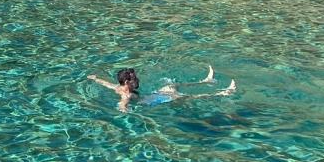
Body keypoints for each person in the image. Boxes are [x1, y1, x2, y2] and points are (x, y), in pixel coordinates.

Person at [88, 66, 235, 112]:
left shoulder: (117, 87)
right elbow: (122, 104)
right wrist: (124, 110)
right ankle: (223, 93)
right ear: (127, 82)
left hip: (152, 95)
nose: (138, 80)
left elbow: (106, 83)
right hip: (154, 101)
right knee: (182, 96)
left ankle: (205, 81)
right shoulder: (126, 96)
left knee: (172, 86)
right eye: (135, 79)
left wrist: (95, 79)